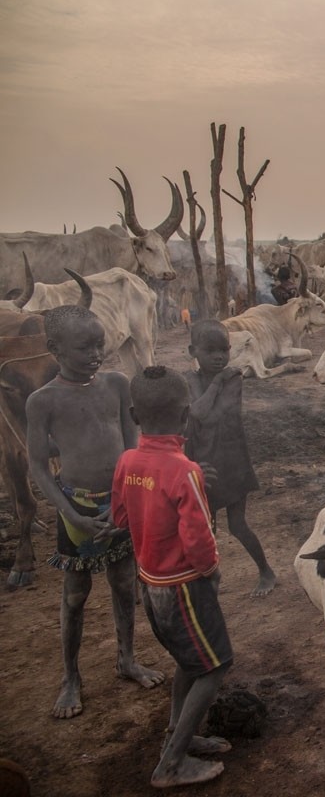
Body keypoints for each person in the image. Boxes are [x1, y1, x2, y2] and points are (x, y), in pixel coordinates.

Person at [25, 305, 165, 720]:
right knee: (75, 595)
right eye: (84, 347)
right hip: (77, 508)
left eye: (99, 344)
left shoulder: (118, 385)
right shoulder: (43, 400)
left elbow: (130, 447)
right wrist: (70, 513)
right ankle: (71, 677)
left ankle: (127, 659)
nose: (95, 353)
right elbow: (37, 464)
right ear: (55, 349)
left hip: (119, 502)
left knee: (124, 585)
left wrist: (128, 501)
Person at [112, 366, 232, 788]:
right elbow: (198, 538)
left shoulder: (127, 461)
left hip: (151, 585)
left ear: (133, 414)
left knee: (189, 660)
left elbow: (120, 516)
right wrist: (211, 572)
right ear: (186, 416)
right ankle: (171, 764)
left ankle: (178, 734)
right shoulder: (185, 470)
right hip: (185, 588)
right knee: (216, 665)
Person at [184, 320, 277, 597]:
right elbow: (201, 413)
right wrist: (217, 381)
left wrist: (217, 383)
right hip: (202, 463)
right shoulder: (193, 379)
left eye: (223, 350)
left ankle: (266, 571)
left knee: (238, 525)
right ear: (193, 351)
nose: (219, 357)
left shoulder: (234, 378)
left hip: (231, 461)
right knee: (206, 527)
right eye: (210, 350)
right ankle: (211, 576)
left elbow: (204, 414)